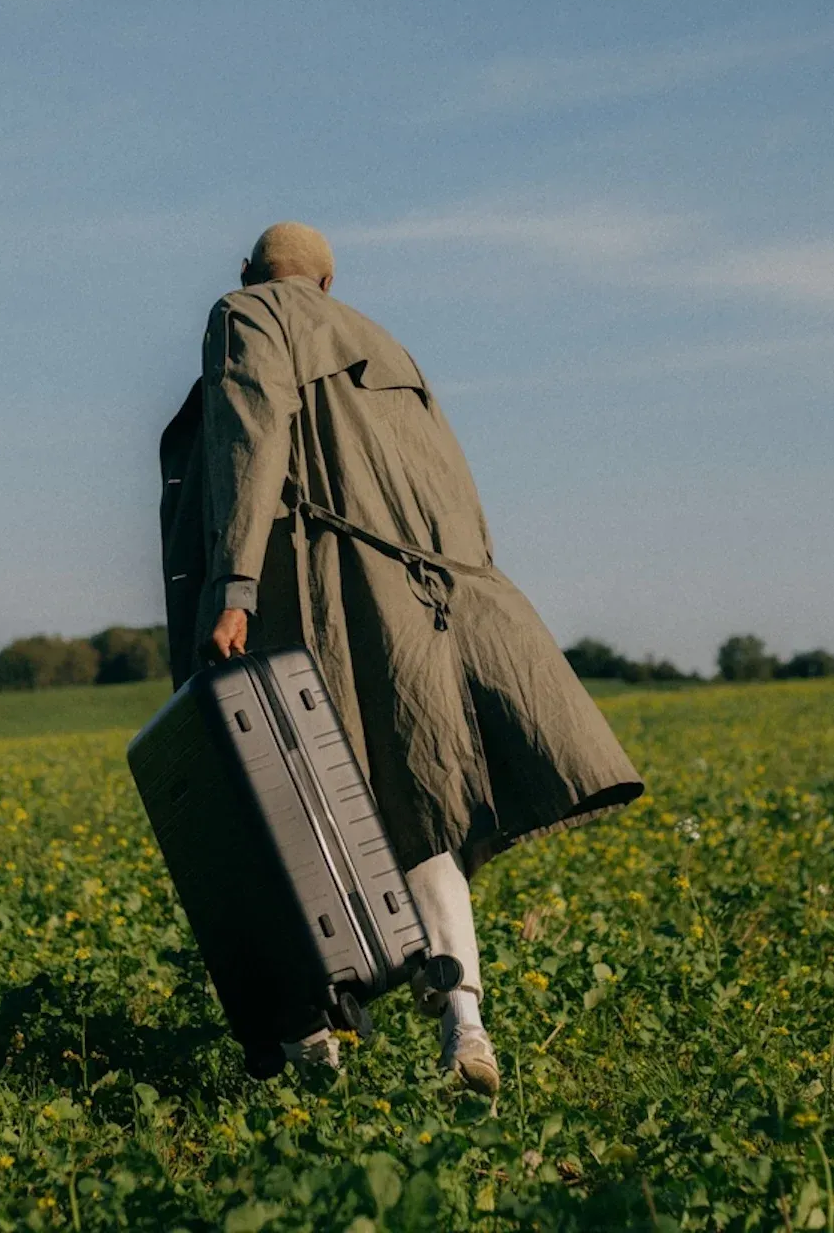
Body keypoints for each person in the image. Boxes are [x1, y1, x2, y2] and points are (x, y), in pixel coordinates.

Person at [155, 222, 643, 1095]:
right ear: (330, 283)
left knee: (285, 807)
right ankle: (466, 1029)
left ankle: (315, 1047)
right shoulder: (388, 344)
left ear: (248, 272)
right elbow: (453, 488)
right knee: (421, 808)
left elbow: (249, 435)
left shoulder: (246, 313)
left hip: (311, 596)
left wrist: (233, 588)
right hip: (422, 603)